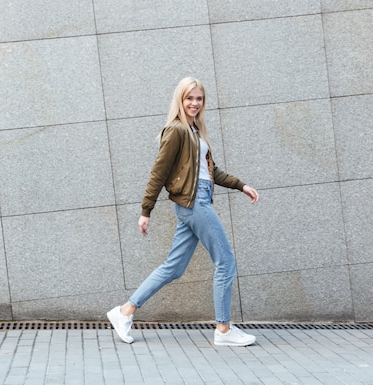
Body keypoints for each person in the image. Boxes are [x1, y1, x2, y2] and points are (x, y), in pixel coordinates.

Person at [107, 77, 259, 347]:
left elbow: (212, 172)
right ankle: (223, 330)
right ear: (180, 99)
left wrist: (241, 185)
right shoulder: (176, 130)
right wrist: (146, 210)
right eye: (189, 98)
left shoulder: (195, 132)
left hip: (193, 203)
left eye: (199, 98)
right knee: (225, 262)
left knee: (173, 268)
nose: (194, 103)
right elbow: (159, 172)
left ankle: (124, 312)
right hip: (195, 203)